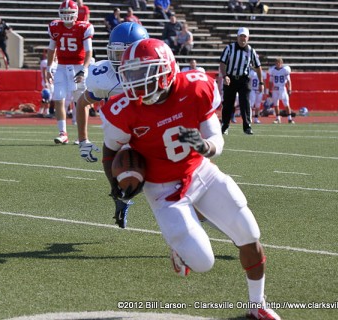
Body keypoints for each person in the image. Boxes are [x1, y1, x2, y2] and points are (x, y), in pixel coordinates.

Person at [100, 38, 281, 320]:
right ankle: (180, 248)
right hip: (162, 191)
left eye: (143, 73)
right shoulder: (123, 109)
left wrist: (203, 146)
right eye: (131, 74)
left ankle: (257, 305)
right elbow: (111, 151)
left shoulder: (196, 87)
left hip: (200, 171)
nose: (136, 82)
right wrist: (117, 187)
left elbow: (215, 141)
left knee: (249, 233)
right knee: (203, 262)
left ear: (166, 70)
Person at [75, 22, 148, 163]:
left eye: (127, 54)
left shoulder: (157, 72)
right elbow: (82, 103)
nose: (122, 60)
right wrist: (83, 140)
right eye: (118, 53)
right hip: (122, 138)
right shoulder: (105, 76)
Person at [47, 0, 94, 144]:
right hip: (61, 66)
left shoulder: (83, 27)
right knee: (58, 98)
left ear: (75, 14)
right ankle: (63, 133)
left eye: (69, 12)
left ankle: (82, 136)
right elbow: (51, 49)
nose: (67, 16)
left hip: (78, 66)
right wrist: (49, 66)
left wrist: (84, 70)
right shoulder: (55, 26)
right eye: (64, 13)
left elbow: (88, 52)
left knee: (80, 102)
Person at [220, 27, 264, 135]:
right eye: (241, 36)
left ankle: (247, 127)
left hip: (244, 80)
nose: (242, 39)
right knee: (228, 104)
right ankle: (225, 126)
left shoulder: (251, 51)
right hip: (230, 78)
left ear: (248, 38)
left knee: (245, 102)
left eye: (245, 36)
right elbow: (222, 63)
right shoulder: (229, 48)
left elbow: (258, 67)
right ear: (237, 37)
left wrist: (261, 82)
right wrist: (225, 76)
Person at [268, 57, 294, 124]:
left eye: (279, 63)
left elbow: (288, 81)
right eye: (276, 63)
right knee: (276, 105)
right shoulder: (272, 70)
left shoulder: (285, 70)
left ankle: (289, 118)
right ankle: (277, 118)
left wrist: (289, 89)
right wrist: (270, 90)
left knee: (286, 104)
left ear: (281, 63)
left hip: (283, 88)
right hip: (275, 89)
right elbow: (270, 82)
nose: (277, 64)